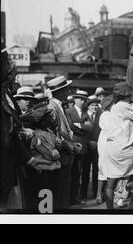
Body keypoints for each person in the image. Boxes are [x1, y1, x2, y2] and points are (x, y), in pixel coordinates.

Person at [0, 51, 50, 211]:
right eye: (11, 73)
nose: (14, 77)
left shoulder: (6, 93)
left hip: (14, 160)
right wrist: (28, 159)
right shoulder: (0, 95)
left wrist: (21, 129)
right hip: (5, 160)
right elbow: (6, 133)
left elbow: (12, 126)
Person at [46, 75, 76, 210]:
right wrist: (70, 145)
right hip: (61, 154)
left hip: (65, 154)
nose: (69, 92)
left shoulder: (58, 106)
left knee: (64, 189)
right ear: (60, 91)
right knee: (60, 191)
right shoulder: (52, 107)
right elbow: (53, 134)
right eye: (67, 90)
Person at [66, 89, 89, 205]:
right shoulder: (69, 111)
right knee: (71, 172)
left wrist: (79, 125)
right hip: (73, 144)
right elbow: (70, 126)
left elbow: (91, 127)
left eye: (84, 99)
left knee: (78, 173)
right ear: (75, 99)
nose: (83, 101)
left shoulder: (86, 112)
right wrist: (83, 126)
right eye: (80, 98)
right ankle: (69, 197)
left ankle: (74, 197)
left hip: (83, 146)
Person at [80, 95, 102, 202]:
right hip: (87, 147)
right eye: (92, 105)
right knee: (85, 170)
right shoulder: (83, 116)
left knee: (97, 171)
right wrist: (88, 142)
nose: (95, 107)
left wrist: (98, 142)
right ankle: (83, 194)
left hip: (97, 147)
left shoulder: (100, 116)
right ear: (88, 107)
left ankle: (96, 193)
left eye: (96, 105)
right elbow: (80, 132)